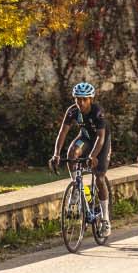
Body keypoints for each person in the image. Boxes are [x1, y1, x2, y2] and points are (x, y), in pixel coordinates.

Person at [50, 81, 111, 233]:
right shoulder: (72, 111)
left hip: (101, 142)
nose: (81, 102)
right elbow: (62, 132)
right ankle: (76, 187)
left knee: (99, 178)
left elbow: (100, 137)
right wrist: (56, 154)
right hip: (85, 138)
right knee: (72, 154)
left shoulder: (97, 111)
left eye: (84, 99)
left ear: (91, 99)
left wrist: (92, 156)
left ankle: (105, 219)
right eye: (78, 99)